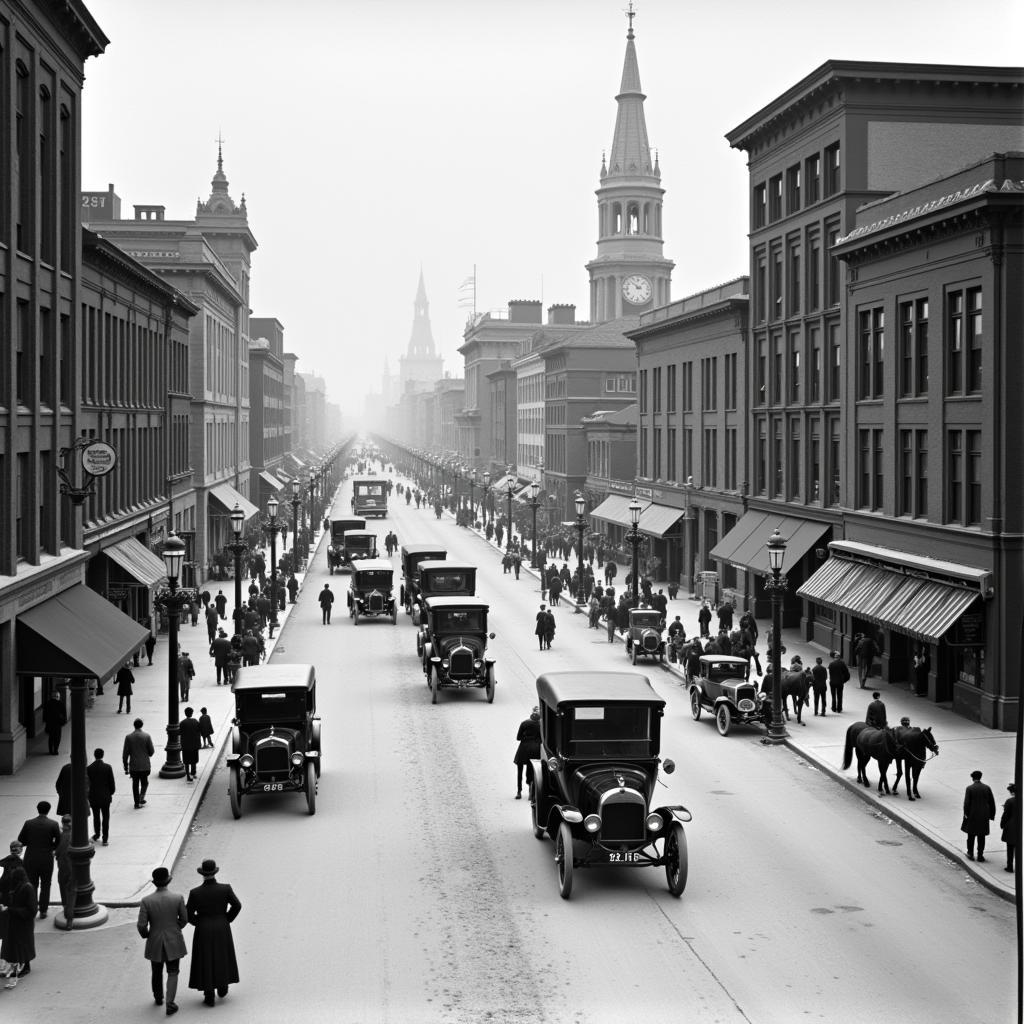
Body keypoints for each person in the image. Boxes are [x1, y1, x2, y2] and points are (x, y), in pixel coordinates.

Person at [186, 859, 241, 1007]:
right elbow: (237, 905)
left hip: (203, 927)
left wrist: (197, 922)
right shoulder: (225, 889)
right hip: (222, 925)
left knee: (205, 958)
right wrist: (227, 918)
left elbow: (188, 914)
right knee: (222, 955)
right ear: (215, 872)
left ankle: (209, 993)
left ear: (202, 874)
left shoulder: (195, 893)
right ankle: (223, 986)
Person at [137, 866, 188, 1015]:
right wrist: (175, 928)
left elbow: (141, 925)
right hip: (173, 940)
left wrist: (147, 935)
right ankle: (170, 1003)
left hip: (155, 940)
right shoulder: (177, 898)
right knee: (173, 971)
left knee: (156, 970)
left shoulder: (146, 901)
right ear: (168, 881)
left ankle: (158, 997)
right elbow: (184, 919)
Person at [17, 801, 59, 919]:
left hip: (31, 858)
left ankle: (33, 908)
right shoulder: (53, 824)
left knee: (32, 884)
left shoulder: (29, 823)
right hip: (46, 858)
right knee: (46, 884)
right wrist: (51, 846)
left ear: (37, 809)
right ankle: (43, 910)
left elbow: (21, 840)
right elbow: (59, 841)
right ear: (49, 810)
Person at [0, 866, 36, 984]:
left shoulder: (27, 888)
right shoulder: (20, 886)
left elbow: (31, 911)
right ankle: (17, 966)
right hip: (17, 921)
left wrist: (11, 910)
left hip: (23, 922)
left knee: (22, 944)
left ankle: (25, 967)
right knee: (17, 945)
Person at [961, 770, 996, 862]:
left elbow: (967, 803)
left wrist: (966, 814)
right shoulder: (987, 788)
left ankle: (970, 853)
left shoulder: (970, 788)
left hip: (973, 815)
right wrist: (992, 815)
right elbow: (992, 802)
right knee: (981, 836)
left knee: (971, 836)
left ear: (972, 778)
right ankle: (980, 855)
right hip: (984, 815)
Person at [123, 719, 155, 809]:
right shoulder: (146, 736)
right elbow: (151, 752)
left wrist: (125, 765)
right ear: (142, 725)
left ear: (134, 725)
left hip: (134, 765)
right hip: (144, 764)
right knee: (145, 782)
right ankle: (141, 797)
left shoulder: (128, 737)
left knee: (135, 784)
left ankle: (136, 802)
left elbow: (125, 753)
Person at [87, 748, 116, 845]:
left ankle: (97, 834)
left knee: (96, 816)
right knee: (106, 817)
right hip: (105, 796)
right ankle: (105, 838)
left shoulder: (89, 768)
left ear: (94, 755)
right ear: (102, 755)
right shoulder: (107, 767)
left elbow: (87, 784)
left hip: (94, 796)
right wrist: (110, 793)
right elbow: (111, 783)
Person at [513, 707, 541, 799]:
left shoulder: (524, 723)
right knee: (531, 770)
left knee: (520, 770)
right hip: (535, 750)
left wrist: (526, 737)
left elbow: (518, 737)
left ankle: (519, 792)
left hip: (523, 749)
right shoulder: (541, 725)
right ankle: (531, 792)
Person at [55, 815, 73, 930]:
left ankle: (66, 910)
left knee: (63, 889)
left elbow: (57, 852)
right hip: (72, 868)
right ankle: (69, 918)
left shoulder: (61, 836)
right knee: (71, 892)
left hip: (62, 867)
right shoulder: (74, 835)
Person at [179, 708, 201, 784]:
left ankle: (188, 775)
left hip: (186, 745)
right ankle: (193, 773)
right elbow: (199, 731)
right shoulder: (195, 721)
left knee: (186, 761)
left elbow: (179, 733)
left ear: (185, 713)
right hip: (194, 745)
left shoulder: (182, 723)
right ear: (191, 713)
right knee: (193, 760)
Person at [1000, 783, 1017, 873]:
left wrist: (1002, 824)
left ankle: (1009, 866)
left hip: (1012, 827)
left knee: (1010, 848)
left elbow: (1006, 815)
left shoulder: (1010, 801)